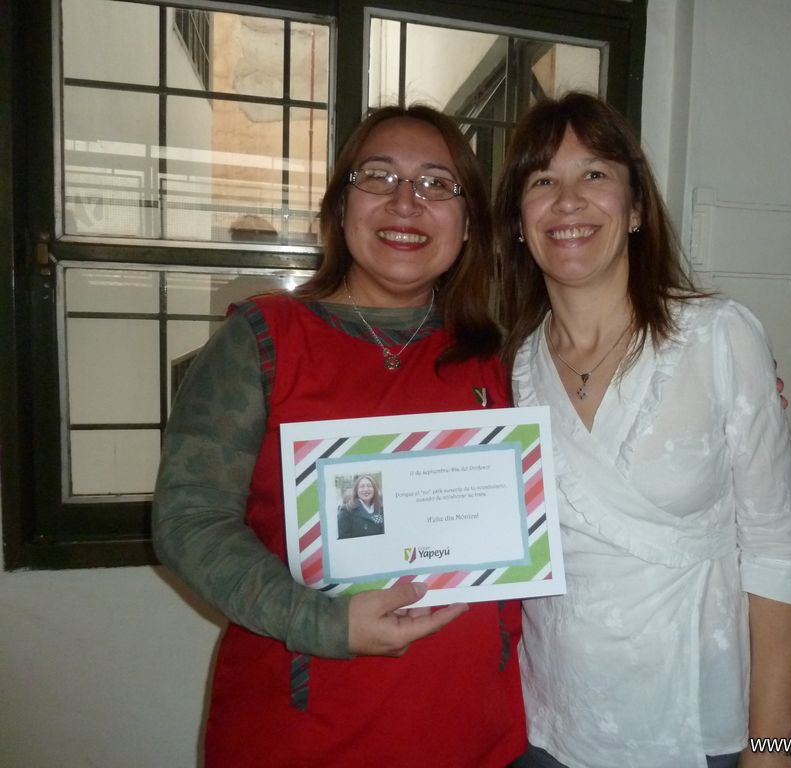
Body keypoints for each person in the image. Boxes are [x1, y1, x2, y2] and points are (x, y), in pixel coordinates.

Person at [153, 105, 525, 768]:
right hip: (302, 732)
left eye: (437, 183)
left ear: (468, 223)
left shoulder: (498, 358)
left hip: (476, 731)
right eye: (378, 176)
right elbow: (188, 519)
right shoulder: (263, 338)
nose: (406, 202)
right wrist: (320, 622)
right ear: (340, 207)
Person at [495, 92, 791, 768]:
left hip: (695, 729)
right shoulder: (508, 370)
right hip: (549, 728)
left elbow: (777, 550)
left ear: (636, 206)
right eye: (542, 181)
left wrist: (772, 746)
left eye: (594, 174)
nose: (568, 201)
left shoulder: (719, 337)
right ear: (519, 223)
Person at [338, 474, 385, 539]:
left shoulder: (382, 509)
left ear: (374, 489)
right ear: (356, 490)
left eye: (369, 486)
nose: (366, 489)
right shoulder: (346, 511)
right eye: (362, 487)